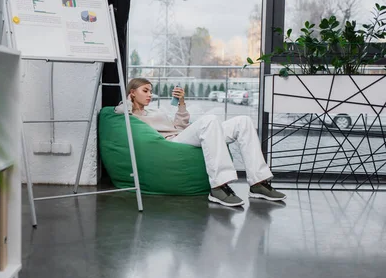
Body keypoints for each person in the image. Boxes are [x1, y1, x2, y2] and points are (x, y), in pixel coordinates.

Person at [115, 78, 286, 207]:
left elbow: (180, 125)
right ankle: (218, 186)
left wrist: (181, 103)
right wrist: (129, 101)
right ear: (132, 93)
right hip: (170, 144)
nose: (150, 95)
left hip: (181, 135)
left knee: (244, 121)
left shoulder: (155, 110)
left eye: (151, 91)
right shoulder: (131, 114)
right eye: (145, 91)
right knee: (209, 120)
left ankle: (258, 183)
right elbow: (119, 109)